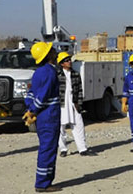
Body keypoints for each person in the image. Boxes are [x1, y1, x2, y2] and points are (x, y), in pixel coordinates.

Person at [25, 42, 61, 192]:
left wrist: (30, 108)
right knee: (48, 149)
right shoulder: (49, 72)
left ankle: (45, 180)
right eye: (52, 50)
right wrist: (33, 110)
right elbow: (43, 96)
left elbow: (31, 94)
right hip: (49, 116)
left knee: (47, 147)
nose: (55, 52)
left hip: (43, 117)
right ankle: (42, 183)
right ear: (47, 55)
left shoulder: (38, 72)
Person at [56, 52, 93, 157]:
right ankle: (63, 149)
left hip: (74, 103)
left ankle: (82, 148)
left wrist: (79, 104)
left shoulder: (76, 74)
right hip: (62, 104)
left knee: (78, 125)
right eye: (67, 60)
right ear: (62, 63)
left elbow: (80, 90)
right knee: (60, 127)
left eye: (69, 60)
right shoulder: (57, 75)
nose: (69, 62)